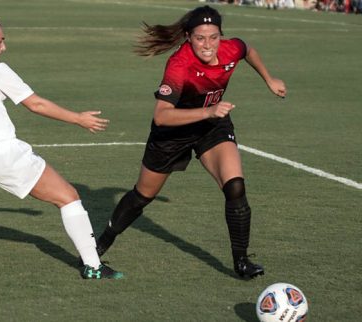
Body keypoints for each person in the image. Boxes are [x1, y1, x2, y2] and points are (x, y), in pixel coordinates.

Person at [0, 13, 122, 279]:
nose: (3, 47)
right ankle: (93, 266)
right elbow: (35, 104)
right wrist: (78, 118)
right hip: (3, 155)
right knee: (69, 197)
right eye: (0, 41)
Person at [95, 6, 286, 279]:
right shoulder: (179, 64)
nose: (207, 45)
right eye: (199, 38)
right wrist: (208, 111)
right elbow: (161, 116)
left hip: (212, 126)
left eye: (214, 37)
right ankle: (101, 242)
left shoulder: (231, 48)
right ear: (188, 37)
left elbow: (248, 50)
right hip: (172, 134)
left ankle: (241, 261)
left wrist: (269, 79)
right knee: (142, 196)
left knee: (235, 186)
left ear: (221, 35)